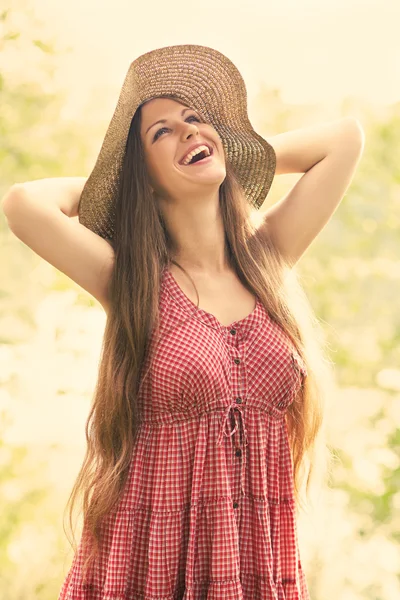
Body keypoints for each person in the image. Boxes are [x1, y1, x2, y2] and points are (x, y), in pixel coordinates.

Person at [1, 44, 364, 599]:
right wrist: (117, 186)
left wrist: (234, 148)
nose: (189, 131)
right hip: (149, 564)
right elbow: (25, 203)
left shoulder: (266, 258)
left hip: (255, 567)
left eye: (196, 118)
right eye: (161, 132)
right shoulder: (134, 281)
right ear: (141, 177)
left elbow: (344, 139)